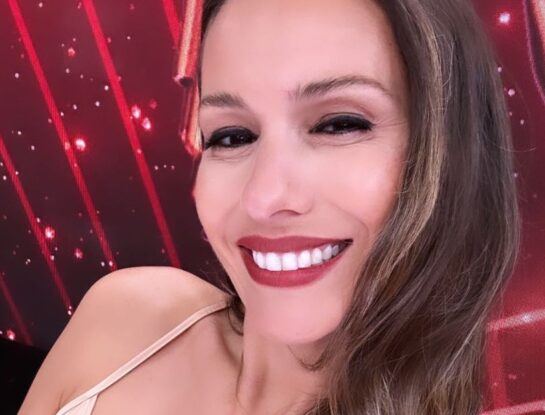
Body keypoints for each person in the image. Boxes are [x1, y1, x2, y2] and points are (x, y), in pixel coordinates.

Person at [19, 0, 520, 414]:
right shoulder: (124, 318)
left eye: (339, 124)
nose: (263, 197)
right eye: (232, 135)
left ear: (448, 157)